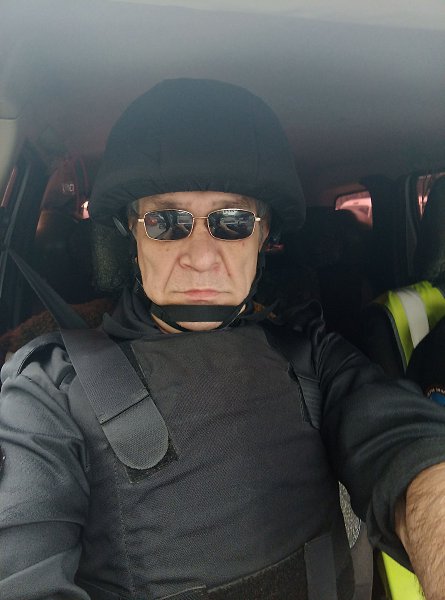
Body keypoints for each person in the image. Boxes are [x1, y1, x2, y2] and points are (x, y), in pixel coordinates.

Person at [1, 78, 445, 600]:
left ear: (264, 234)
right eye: (167, 221)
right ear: (132, 231)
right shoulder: (48, 390)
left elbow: (403, 445)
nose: (201, 256)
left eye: (232, 221)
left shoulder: (309, 353)